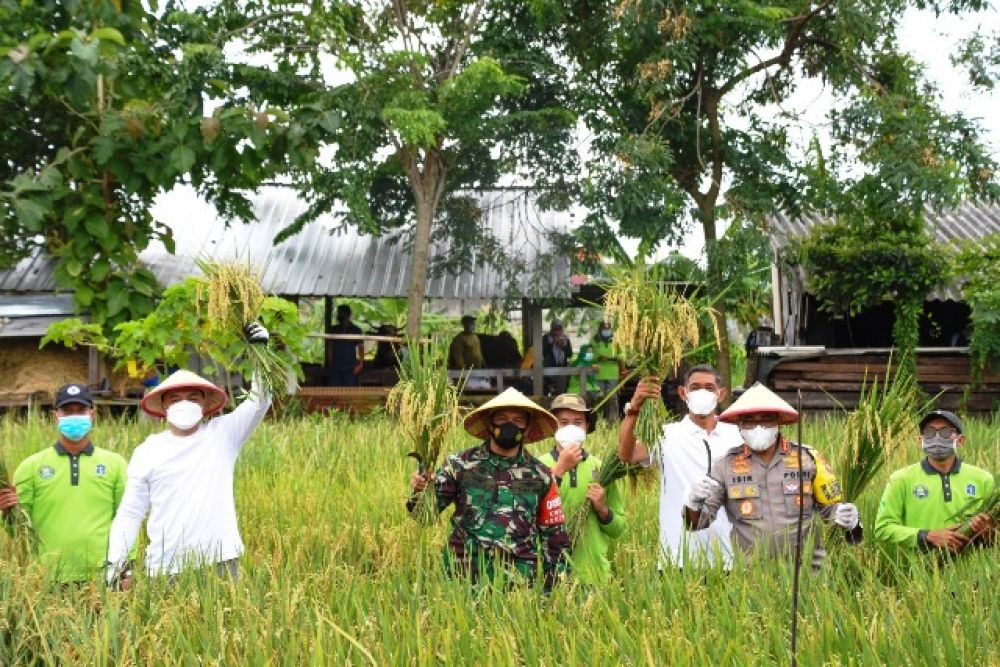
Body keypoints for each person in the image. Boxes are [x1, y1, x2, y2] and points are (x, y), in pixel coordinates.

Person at [105, 323, 271, 587]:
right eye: (175, 399)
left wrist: (260, 352)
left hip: (221, 563)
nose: (184, 404)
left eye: (193, 398)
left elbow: (260, 401)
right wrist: (116, 562)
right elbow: (130, 513)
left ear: (205, 405)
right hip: (165, 568)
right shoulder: (148, 451)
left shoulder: (223, 435)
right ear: (163, 406)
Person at [683, 383, 862, 571]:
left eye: (767, 419)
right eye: (750, 420)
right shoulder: (725, 466)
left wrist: (850, 520)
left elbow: (831, 510)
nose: (758, 426)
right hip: (752, 578)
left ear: (778, 421)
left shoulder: (808, 458)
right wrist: (693, 504)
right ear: (739, 425)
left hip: (809, 574)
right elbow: (696, 523)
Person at [407, 388, 570, 589]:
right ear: (489, 423)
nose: (509, 425)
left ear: (527, 428)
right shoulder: (459, 465)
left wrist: (552, 589)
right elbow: (423, 515)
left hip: (517, 581)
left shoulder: (542, 475)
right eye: (501, 418)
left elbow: (555, 538)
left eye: (518, 420)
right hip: (462, 577)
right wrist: (420, 490)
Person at [0, 384, 131, 583]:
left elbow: (128, 518)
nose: (74, 416)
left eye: (81, 411)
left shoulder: (115, 464)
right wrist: (7, 511)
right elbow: (18, 530)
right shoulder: (31, 467)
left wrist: (127, 568)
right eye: (67, 411)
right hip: (46, 577)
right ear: (55, 416)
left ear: (92, 414)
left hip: (103, 575)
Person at [618, 366, 743, 570]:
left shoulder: (737, 435)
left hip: (729, 556)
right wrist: (634, 409)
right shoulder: (666, 435)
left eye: (709, 387)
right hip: (678, 556)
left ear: (721, 394)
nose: (702, 392)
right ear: (683, 393)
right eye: (695, 387)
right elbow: (627, 455)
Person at [874, 409, 995, 553]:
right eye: (930, 433)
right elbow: (883, 528)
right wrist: (926, 536)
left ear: (960, 440)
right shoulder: (900, 479)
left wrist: (990, 533)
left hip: (971, 572)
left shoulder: (983, 479)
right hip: (921, 570)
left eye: (945, 432)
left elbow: (994, 530)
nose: (937, 438)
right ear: (921, 440)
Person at [538, 394, 624, 585]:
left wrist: (602, 509)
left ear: (586, 427)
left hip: (594, 576)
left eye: (578, 422)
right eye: (563, 422)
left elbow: (618, 528)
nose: (570, 428)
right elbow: (527, 519)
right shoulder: (538, 466)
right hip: (550, 575)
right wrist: (559, 470)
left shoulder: (601, 469)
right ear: (553, 427)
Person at [327, 304, 364, 386]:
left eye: (342, 313)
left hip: (350, 368)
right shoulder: (334, 329)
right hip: (336, 367)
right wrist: (330, 364)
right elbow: (330, 347)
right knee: (334, 393)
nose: (340, 315)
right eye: (339, 313)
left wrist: (361, 364)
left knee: (349, 393)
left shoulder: (356, 330)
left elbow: (361, 347)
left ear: (349, 314)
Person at [590, 322, 620, 420]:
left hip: (612, 373)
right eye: (604, 328)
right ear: (600, 328)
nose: (606, 331)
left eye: (608, 328)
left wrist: (613, 358)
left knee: (612, 398)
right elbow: (588, 355)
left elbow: (623, 354)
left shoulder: (616, 339)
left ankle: (612, 421)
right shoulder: (594, 340)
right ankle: (598, 421)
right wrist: (595, 359)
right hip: (598, 373)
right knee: (598, 398)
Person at [542, 319, 573, 395]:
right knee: (549, 391)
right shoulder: (546, 338)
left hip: (562, 369)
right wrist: (552, 343)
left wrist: (563, 346)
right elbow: (543, 352)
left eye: (559, 329)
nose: (557, 331)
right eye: (555, 329)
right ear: (551, 329)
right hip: (549, 369)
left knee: (561, 392)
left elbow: (570, 354)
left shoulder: (566, 339)